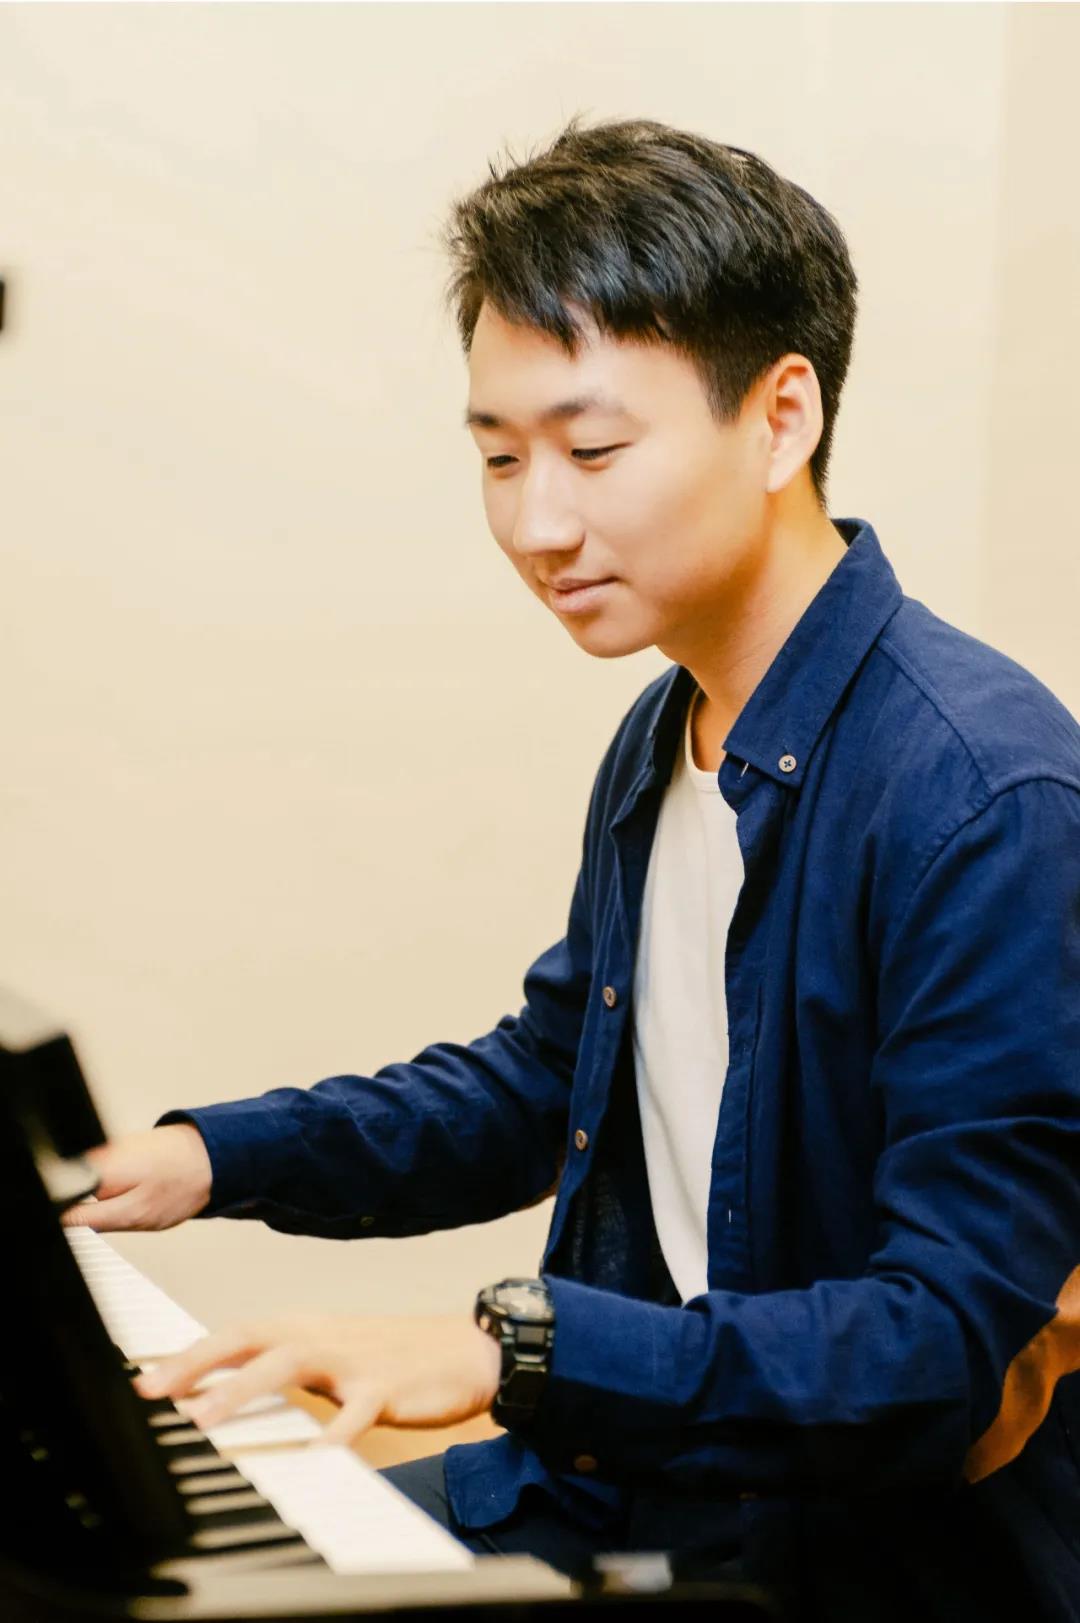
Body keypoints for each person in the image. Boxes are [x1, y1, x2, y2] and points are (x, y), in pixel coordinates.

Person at [61, 115, 1080, 1620]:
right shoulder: (667, 734)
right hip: (621, 1486)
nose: (536, 522)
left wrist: (509, 1352)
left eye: (593, 450)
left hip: (842, 1560)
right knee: (125, 1564)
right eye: (498, 456)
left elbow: (932, 1345)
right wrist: (208, 1157)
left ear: (781, 418)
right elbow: (556, 1080)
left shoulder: (985, 794)